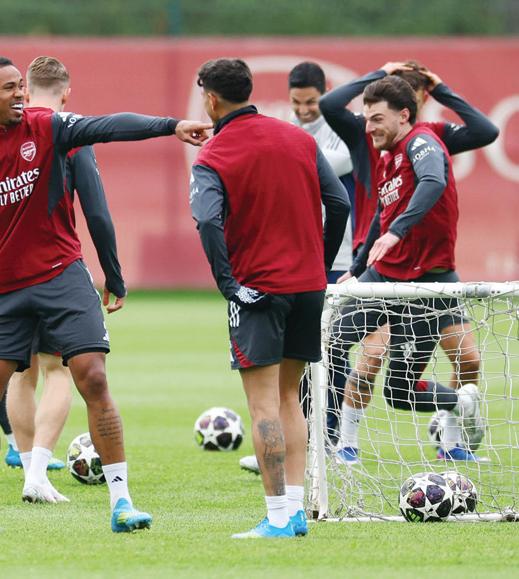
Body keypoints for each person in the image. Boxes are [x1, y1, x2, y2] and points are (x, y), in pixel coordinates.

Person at [0, 56, 211, 534]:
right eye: (9, 88)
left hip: (62, 277)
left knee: (92, 376)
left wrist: (170, 126)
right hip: (5, 289)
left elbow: (108, 126)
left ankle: (122, 503)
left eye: (21, 86)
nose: (20, 94)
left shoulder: (48, 127)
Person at [190, 58, 349, 539]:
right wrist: (318, 265)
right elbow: (339, 202)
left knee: (262, 406)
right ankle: (295, 512)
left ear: (211, 99)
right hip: (307, 287)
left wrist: (228, 284)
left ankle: (278, 516)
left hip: (257, 290)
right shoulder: (299, 139)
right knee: (288, 398)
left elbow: (207, 220)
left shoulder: (214, 154)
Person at [320, 61, 497, 461]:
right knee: (330, 338)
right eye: (366, 119)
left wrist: (396, 232)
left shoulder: (423, 142)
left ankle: (458, 411)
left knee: (400, 392)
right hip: (384, 275)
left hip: (424, 284)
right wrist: (357, 268)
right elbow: (382, 214)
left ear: (405, 113)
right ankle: (333, 440)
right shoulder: (386, 155)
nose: (368, 128)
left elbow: (433, 181)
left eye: (376, 119)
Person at [4, 56, 128, 503]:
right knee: (56, 369)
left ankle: (26, 469)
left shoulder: (3, 131)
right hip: (55, 271)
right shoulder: (70, 132)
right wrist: (113, 274)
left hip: (6, 276)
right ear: (66, 92)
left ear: (24, 89)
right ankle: (37, 473)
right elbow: (96, 211)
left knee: (20, 373)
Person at [240, 61, 356, 475]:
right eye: (297, 102)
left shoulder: (342, 131)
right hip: (299, 261)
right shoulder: (288, 130)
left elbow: (333, 170)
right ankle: (295, 445)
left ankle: (331, 437)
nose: (304, 110)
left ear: (325, 95)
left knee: (332, 352)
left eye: (312, 102)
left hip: (337, 259)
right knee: (292, 362)